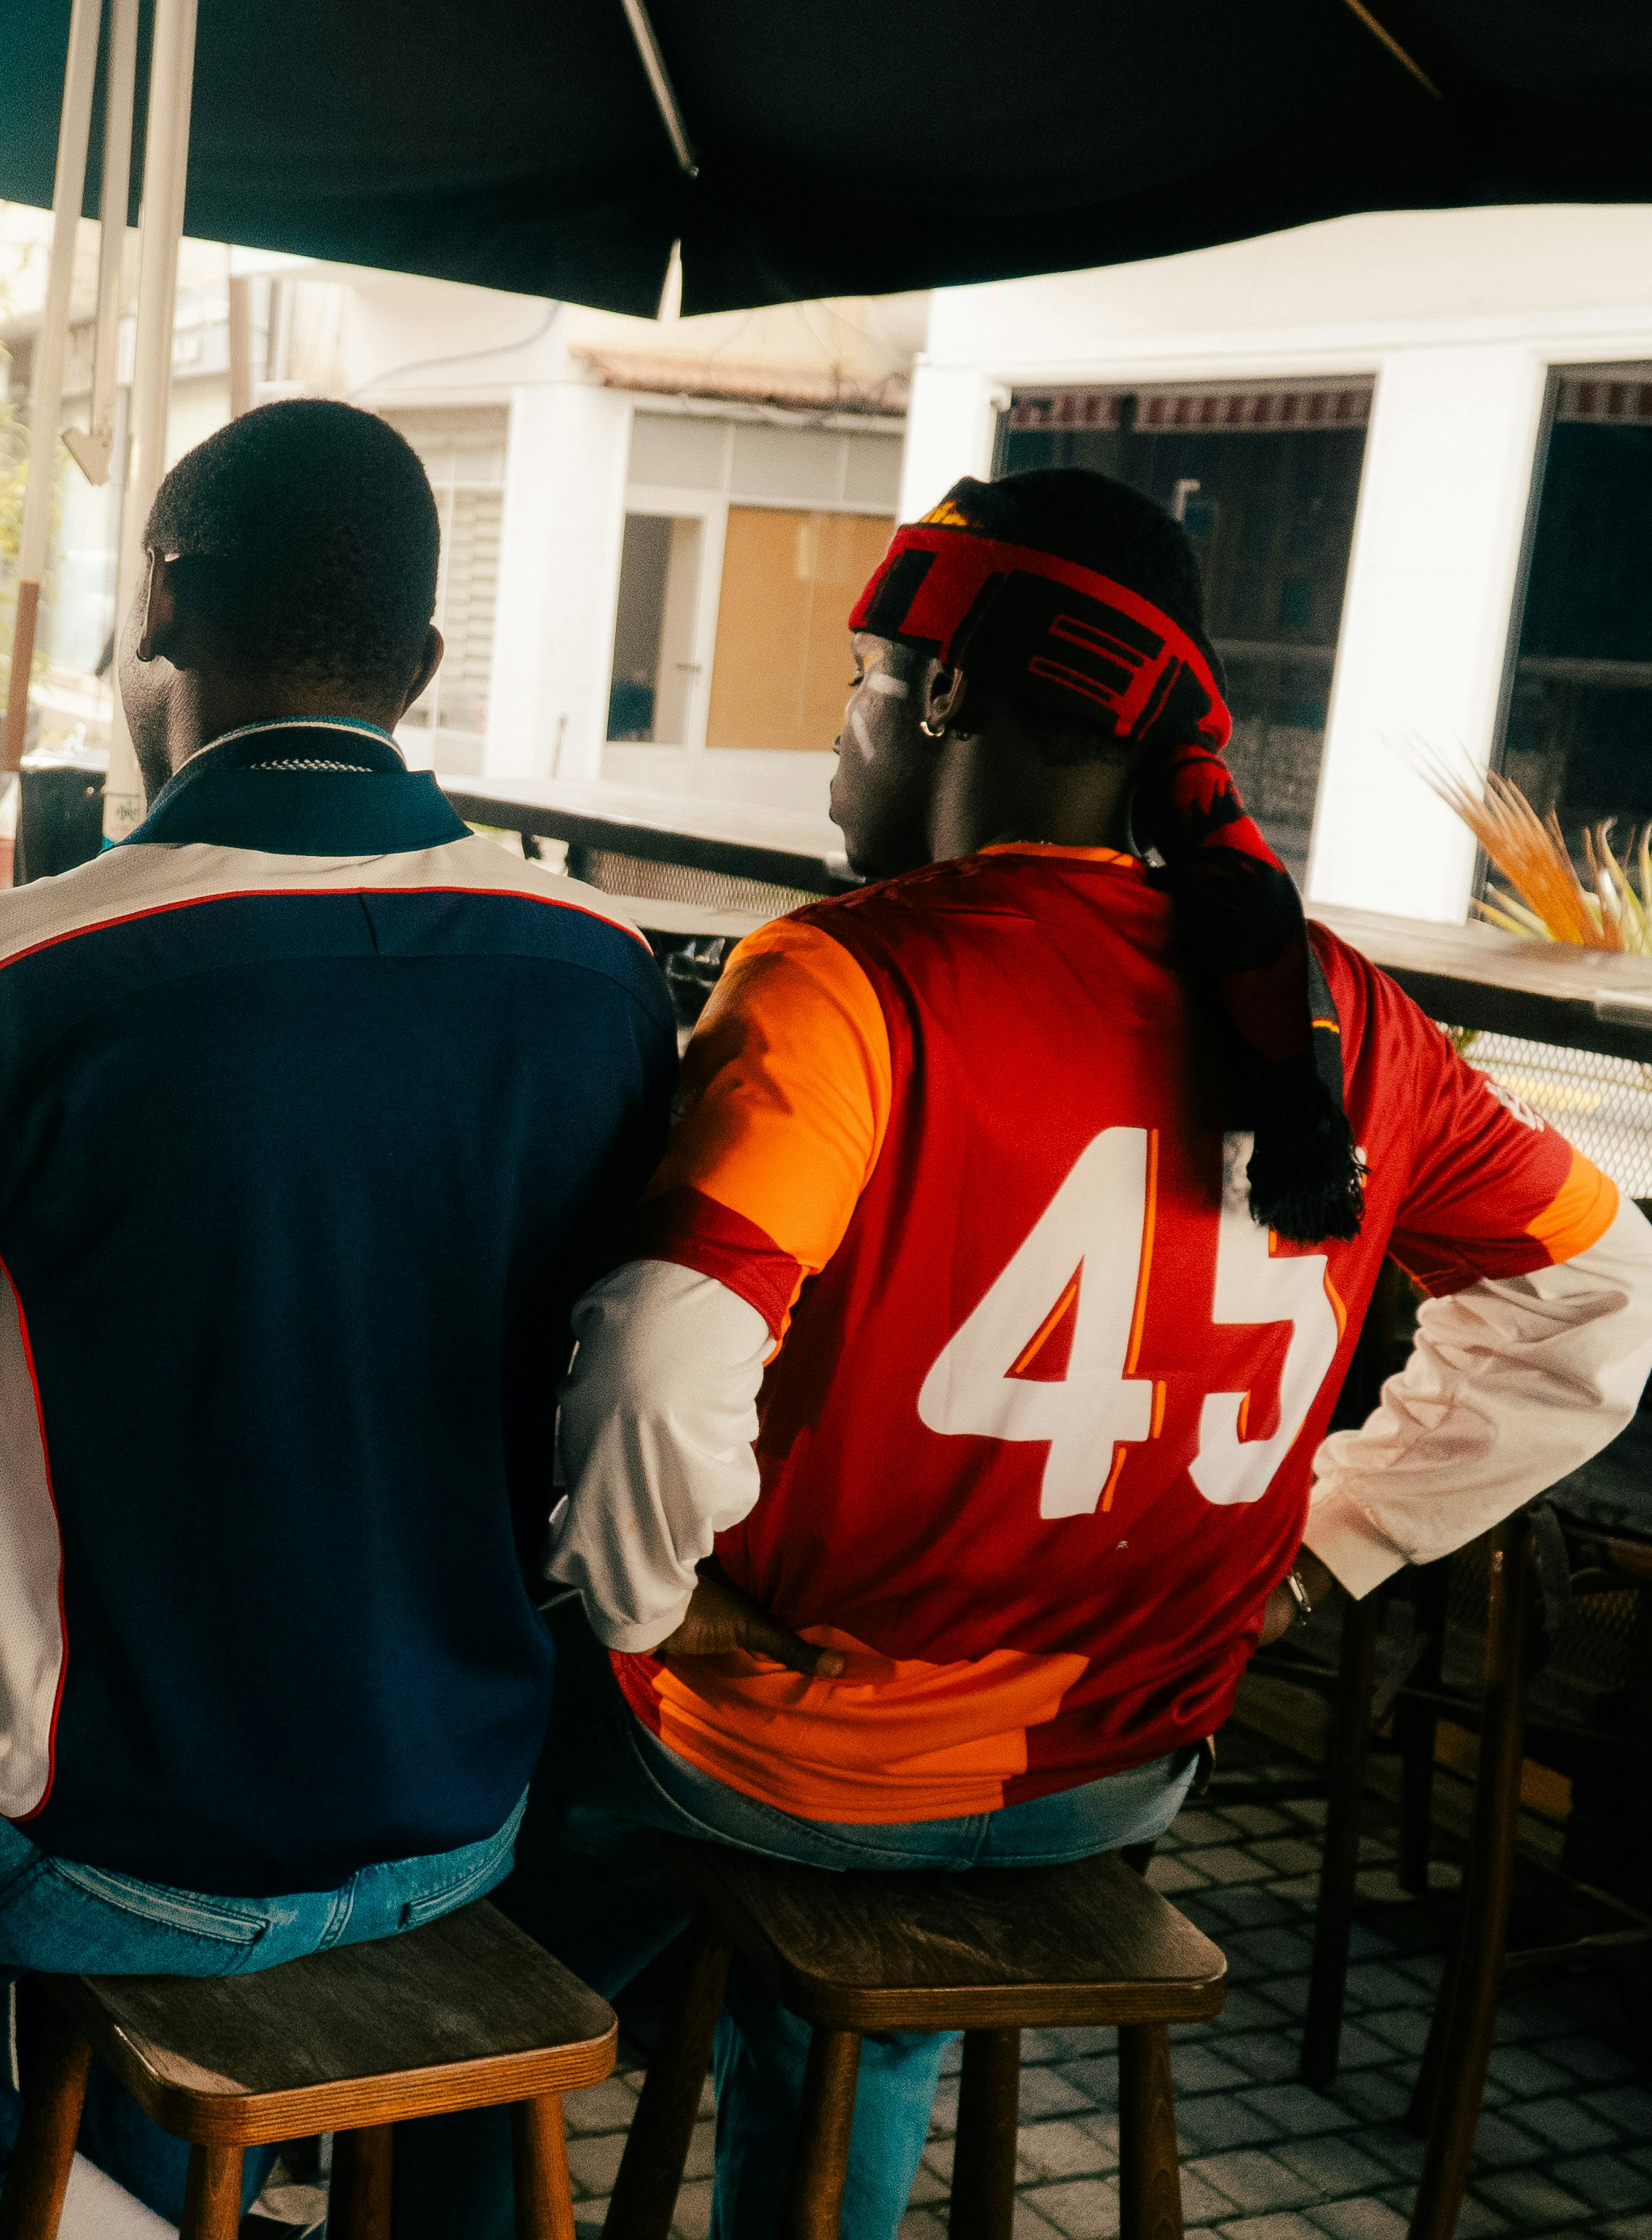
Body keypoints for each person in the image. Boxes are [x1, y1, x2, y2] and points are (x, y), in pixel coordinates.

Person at [405, 465, 1652, 2240]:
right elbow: (1607, 1302)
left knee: (453, 1886)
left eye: (848, 685)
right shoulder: (1343, 1012)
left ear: (945, 693)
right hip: (1117, 1778)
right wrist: (1324, 1546)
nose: (830, 742)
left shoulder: (846, 977)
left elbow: (656, 1360)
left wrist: (649, 1604)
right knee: (847, 1961)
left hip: (783, 1761)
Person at [0, 399, 682, 2236]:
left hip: (113, 1834)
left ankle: (76, 2210)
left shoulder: (36, 962)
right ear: (421, 665)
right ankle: (128, 2172)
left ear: (157, 616)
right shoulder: (597, 968)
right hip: (465, 1817)